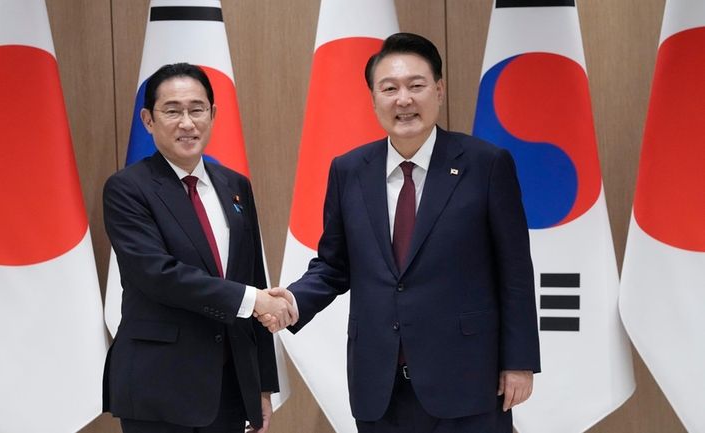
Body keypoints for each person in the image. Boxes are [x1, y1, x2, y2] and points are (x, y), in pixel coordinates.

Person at [264, 33, 541, 432]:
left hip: (468, 380)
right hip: (381, 385)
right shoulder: (349, 171)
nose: (403, 99)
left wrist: (519, 362)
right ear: (373, 98)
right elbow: (333, 265)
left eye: (416, 85)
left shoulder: (486, 165)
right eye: (389, 88)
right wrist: (292, 300)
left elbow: (514, 272)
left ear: (439, 90)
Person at [102, 63, 294, 433]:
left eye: (197, 109)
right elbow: (158, 275)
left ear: (213, 114)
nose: (187, 123)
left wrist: (263, 385)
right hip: (159, 386)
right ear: (148, 120)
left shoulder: (235, 185)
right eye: (172, 111)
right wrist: (254, 300)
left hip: (229, 385)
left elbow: (254, 277)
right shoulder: (127, 189)